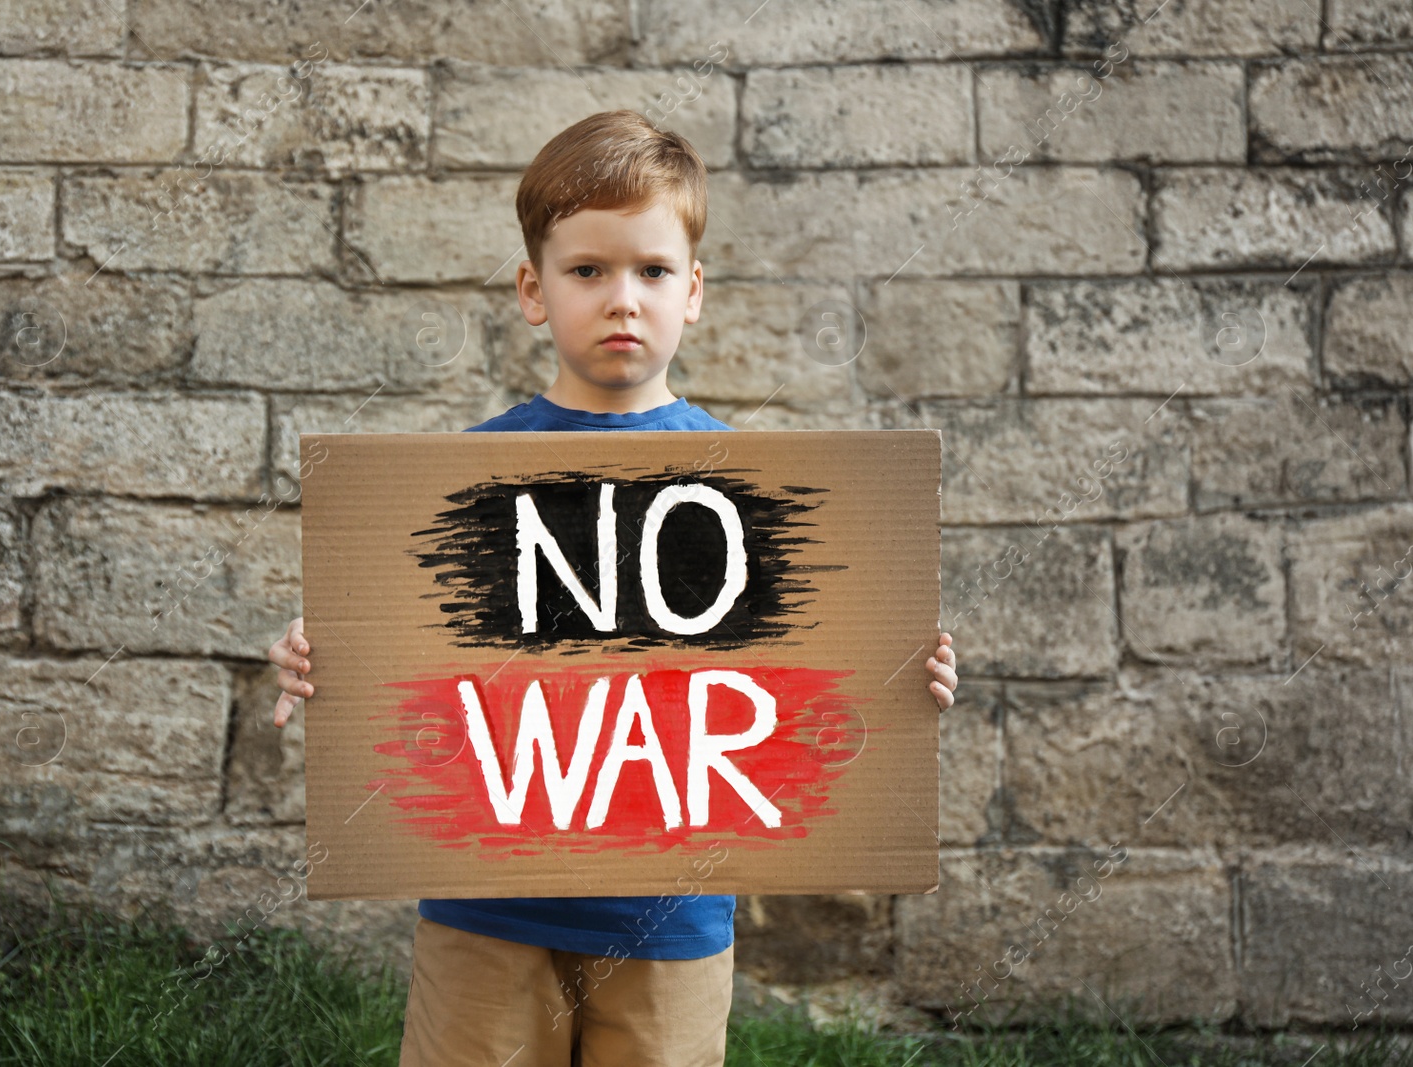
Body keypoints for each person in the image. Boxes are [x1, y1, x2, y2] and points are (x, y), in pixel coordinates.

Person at [266, 109, 960, 1067]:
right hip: (486, 907)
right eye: (587, 270)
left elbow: (809, 680)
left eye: (652, 271)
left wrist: (898, 678)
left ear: (694, 291)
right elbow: (396, 642)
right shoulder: (458, 483)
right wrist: (321, 653)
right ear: (534, 289)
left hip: (671, 914)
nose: (622, 298)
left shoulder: (758, 493)